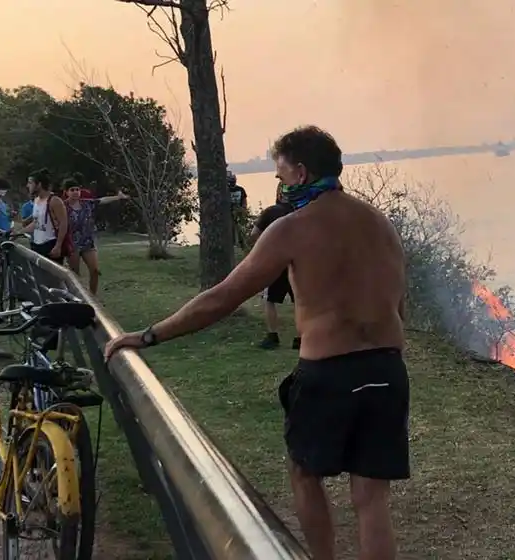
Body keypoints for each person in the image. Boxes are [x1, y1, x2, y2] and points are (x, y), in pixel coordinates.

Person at [105, 125, 409, 560]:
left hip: (329, 374)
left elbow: (222, 298)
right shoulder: (380, 224)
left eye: (281, 175)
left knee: (305, 475)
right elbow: (400, 301)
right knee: (371, 499)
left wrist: (150, 334)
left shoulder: (291, 228)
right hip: (386, 371)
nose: (279, 185)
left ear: (301, 172)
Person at [250, 182, 300, 349]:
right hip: (297, 263)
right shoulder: (301, 212)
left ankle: (273, 336)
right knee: (299, 300)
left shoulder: (271, 212)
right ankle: (300, 338)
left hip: (276, 263)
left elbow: (254, 234)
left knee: (270, 300)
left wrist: (265, 250)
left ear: (279, 194)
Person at [64, 177, 129, 295]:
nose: (75, 192)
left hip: (88, 242)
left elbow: (102, 200)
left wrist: (118, 197)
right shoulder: (63, 206)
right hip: (72, 244)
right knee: (74, 274)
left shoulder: (87, 203)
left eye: (77, 189)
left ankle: (93, 297)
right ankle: (77, 298)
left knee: (94, 271)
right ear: (66, 192)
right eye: (72, 190)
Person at [19, 169, 69, 264]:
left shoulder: (54, 201)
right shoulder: (36, 200)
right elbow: (36, 222)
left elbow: (64, 223)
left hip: (50, 244)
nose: (27, 186)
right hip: (37, 244)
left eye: (30, 183)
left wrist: (58, 246)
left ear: (39, 184)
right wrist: (18, 233)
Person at [228, 171, 249, 250]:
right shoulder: (227, 190)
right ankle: (232, 244)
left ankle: (242, 243)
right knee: (231, 227)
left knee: (240, 227)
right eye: (231, 180)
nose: (233, 181)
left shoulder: (240, 189)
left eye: (233, 179)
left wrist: (244, 208)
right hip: (229, 211)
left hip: (239, 210)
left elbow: (244, 199)